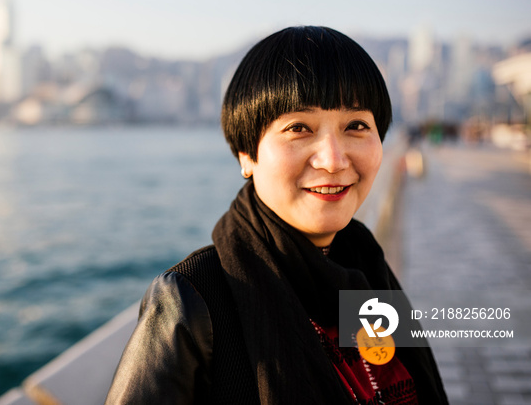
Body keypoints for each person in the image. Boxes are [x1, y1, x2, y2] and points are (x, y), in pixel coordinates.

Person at [105, 26, 448, 404]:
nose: (333, 160)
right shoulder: (193, 300)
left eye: (356, 126)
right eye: (299, 128)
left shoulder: (366, 270)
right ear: (247, 155)